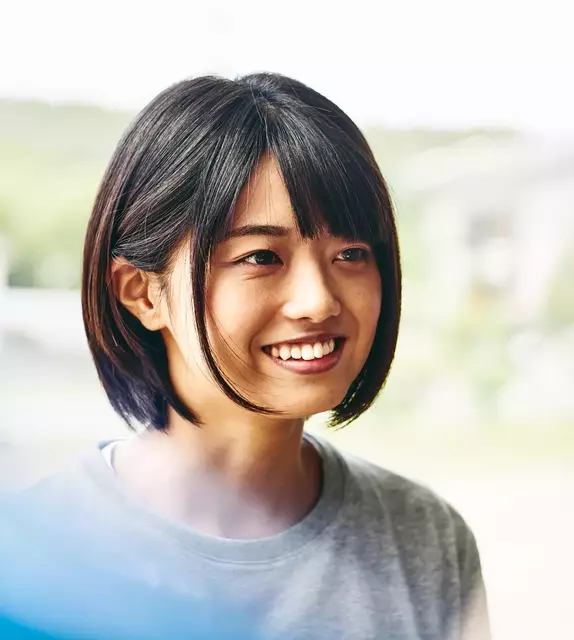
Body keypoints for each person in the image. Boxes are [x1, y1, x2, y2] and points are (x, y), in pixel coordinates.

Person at [0, 73, 489, 640]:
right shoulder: (29, 557)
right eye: (261, 256)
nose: (319, 300)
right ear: (141, 291)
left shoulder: (424, 539)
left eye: (351, 253)